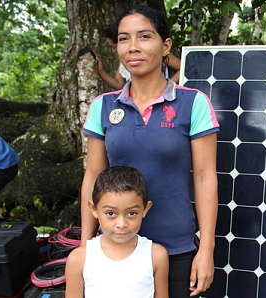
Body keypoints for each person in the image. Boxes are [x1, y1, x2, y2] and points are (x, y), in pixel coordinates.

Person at [81, 6, 219, 298]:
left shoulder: (193, 103)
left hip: (176, 247)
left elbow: (205, 178)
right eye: (123, 38)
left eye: (144, 37)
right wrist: (85, 248)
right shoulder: (102, 107)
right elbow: (93, 177)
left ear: (165, 45)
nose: (133, 47)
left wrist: (205, 249)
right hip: (115, 247)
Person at [65, 166, 169, 298]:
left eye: (132, 213)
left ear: (145, 209)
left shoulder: (156, 255)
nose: (122, 224)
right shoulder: (79, 259)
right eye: (110, 213)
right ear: (94, 209)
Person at [94, 23, 182, 89]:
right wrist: (100, 70)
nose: (113, 51)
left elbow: (183, 67)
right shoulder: (126, 60)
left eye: (114, 47)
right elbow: (119, 84)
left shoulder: (156, 52)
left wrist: (167, 87)